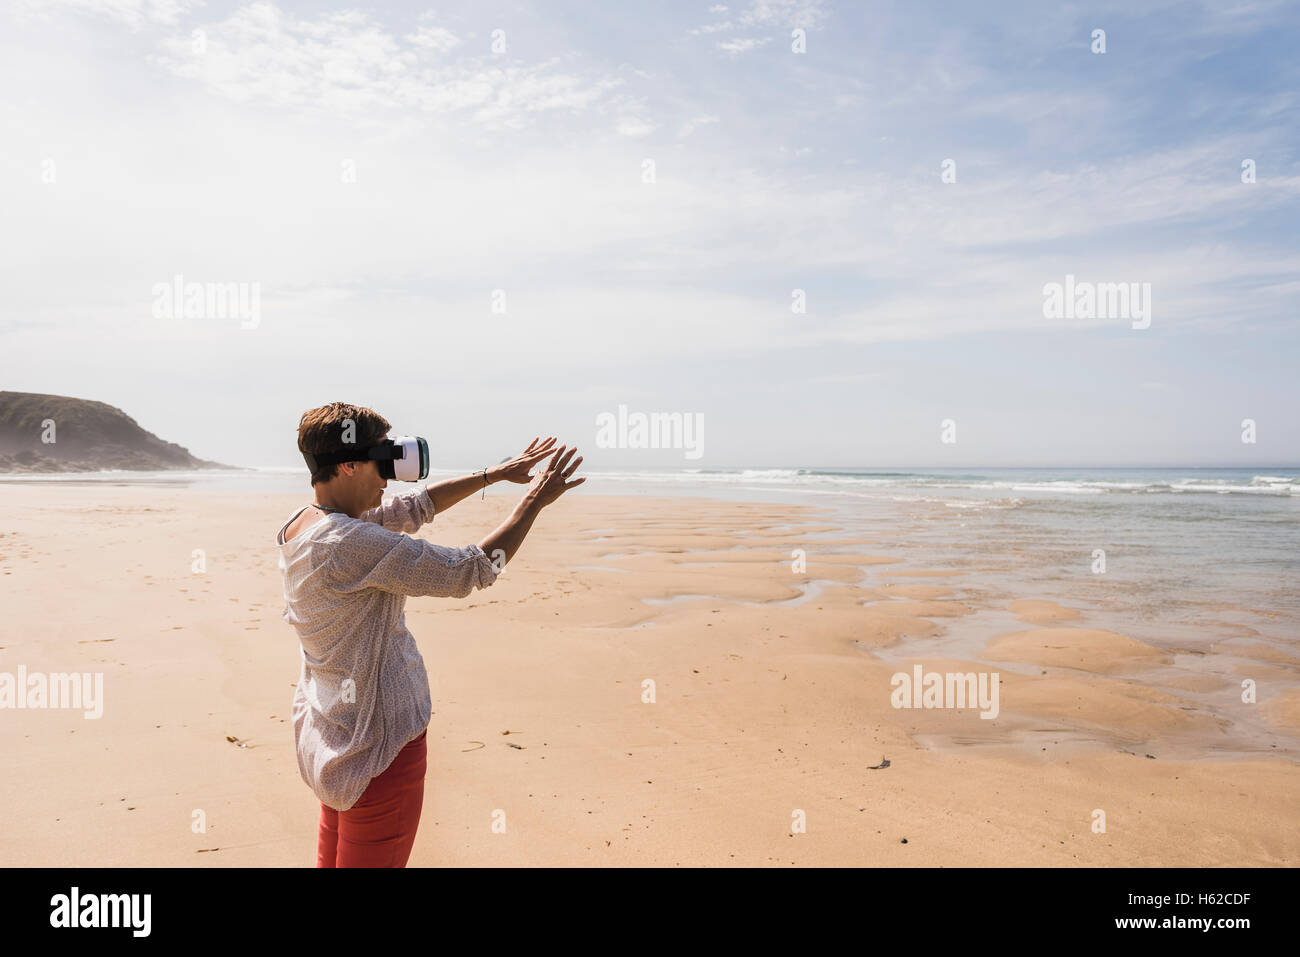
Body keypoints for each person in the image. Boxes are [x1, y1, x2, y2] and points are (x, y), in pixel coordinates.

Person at [274, 401, 584, 867]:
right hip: (377, 747)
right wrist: (534, 501)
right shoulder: (350, 543)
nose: (390, 478)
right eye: (383, 463)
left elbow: (415, 507)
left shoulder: (305, 523)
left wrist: (492, 476)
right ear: (349, 465)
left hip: (331, 737)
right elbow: (468, 572)